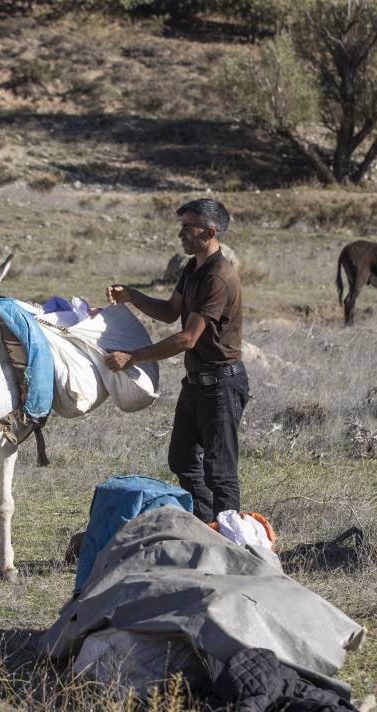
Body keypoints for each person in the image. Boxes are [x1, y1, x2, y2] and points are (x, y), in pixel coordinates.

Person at [102, 199, 248, 523]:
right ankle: (208, 528)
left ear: (209, 232)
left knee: (220, 472)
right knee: (182, 460)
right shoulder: (193, 268)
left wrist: (133, 358)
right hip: (197, 383)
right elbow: (171, 312)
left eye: (187, 227)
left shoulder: (218, 276)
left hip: (221, 384)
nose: (180, 233)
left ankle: (231, 547)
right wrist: (132, 296)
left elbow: (187, 338)